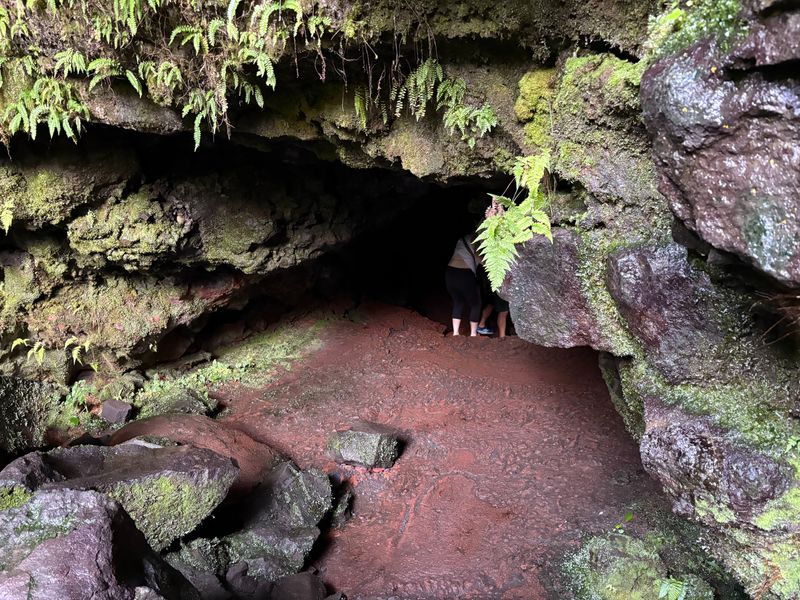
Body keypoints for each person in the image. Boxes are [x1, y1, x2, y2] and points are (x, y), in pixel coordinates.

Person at [445, 234, 481, 336]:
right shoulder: (477, 240)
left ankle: (456, 333)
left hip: (450, 273)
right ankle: (473, 334)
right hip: (465, 274)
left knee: (458, 301)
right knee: (475, 303)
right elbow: (480, 259)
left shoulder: (461, 239)